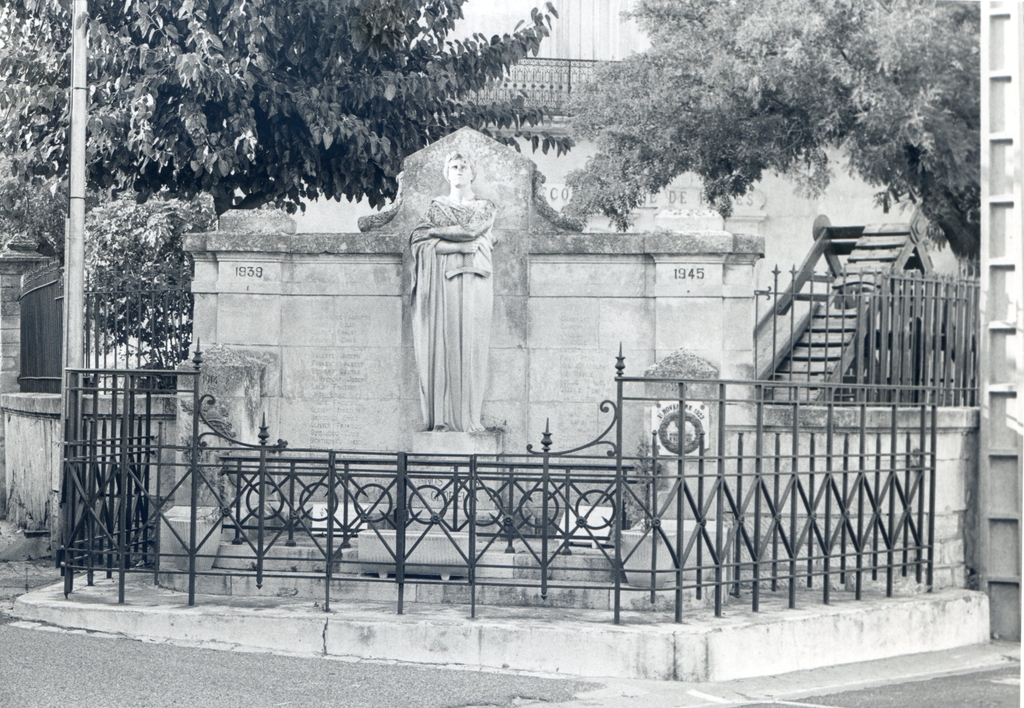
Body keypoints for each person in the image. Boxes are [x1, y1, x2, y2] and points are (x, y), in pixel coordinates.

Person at [410, 151, 497, 432]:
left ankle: (469, 417)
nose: (459, 170)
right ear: (446, 174)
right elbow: (419, 241)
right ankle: (444, 418)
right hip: (443, 285)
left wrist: (437, 234)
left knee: (473, 345)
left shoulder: (485, 206)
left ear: (473, 173)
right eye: (453, 167)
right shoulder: (436, 208)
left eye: (464, 166)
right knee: (445, 345)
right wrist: (455, 246)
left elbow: (472, 230)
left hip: (477, 284)